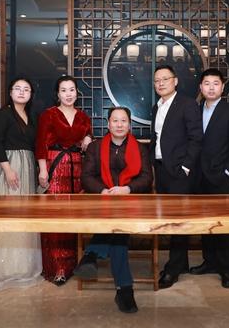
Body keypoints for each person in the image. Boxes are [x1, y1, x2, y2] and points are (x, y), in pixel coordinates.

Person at [75, 107, 153, 313]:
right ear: (108, 124)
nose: (119, 125)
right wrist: (103, 191)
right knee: (118, 233)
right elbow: (86, 176)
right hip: (102, 200)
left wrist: (127, 189)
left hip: (131, 201)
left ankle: (91, 253)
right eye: (115, 121)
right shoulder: (95, 147)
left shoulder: (140, 148)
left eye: (124, 121)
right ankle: (124, 290)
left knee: (118, 228)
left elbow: (147, 177)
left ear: (129, 124)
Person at [0, 77, 43, 293]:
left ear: (31, 94)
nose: (22, 92)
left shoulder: (32, 115)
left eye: (26, 89)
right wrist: (7, 169)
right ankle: (3, 269)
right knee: (8, 213)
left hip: (27, 166)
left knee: (24, 214)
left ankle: (23, 266)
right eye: (17, 88)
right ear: (10, 92)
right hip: (9, 166)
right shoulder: (3, 114)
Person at [189, 68, 229, 289]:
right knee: (206, 225)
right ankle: (209, 262)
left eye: (215, 83)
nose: (211, 88)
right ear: (200, 87)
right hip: (198, 177)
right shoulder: (195, 110)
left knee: (224, 226)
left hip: (221, 177)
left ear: (222, 87)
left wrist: (228, 172)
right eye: (206, 83)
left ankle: (227, 270)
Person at [35, 75, 93, 285]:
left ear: (77, 93)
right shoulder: (49, 114)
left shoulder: (83, 116)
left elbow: (88, 137)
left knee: (74, 215)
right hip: (55, 165)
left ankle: (72, 264)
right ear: (57, 94)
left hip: (77, 168)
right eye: (64, 90)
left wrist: (88, 138)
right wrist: (43, 170)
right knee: (55, 214)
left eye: (72, 90)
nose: (68, 94)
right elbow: (41, 144)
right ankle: (56, 267)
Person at [151, 65, 203, 290]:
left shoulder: (187, 104)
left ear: (176, 81)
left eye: (165, 79)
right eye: (157, 80)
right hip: (162, 170)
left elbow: (196, 138)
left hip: (180, 172)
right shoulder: (157, 106)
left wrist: (186, 167)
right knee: (170, 219)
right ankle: (181, 263)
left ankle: (173, 269)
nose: (161, 83)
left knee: (177, 220)